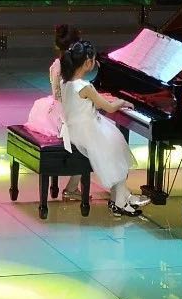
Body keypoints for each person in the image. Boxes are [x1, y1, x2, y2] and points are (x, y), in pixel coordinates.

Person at [59, 40, 149, 217]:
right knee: (117, 149)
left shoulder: (65, 82)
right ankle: (120, 201)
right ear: (88, 63)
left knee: (116, 145)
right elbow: (109, 108)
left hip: (73, 130)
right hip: (87, 131)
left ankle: (122, 196)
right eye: (94, 60)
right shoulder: (85, 87)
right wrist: (122, 102)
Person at [24, 24, 82, 198]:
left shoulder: (56, 64)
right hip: (62, 115)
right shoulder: (70, 67)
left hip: (54, 110)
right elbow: (66, 97)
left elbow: (59, 95)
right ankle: (72, 187)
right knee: (90, 140)